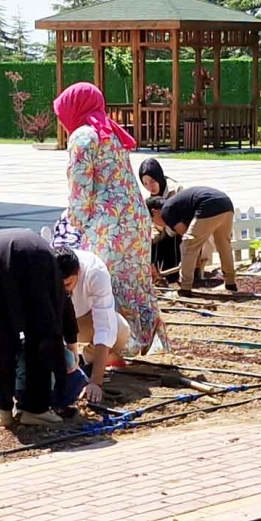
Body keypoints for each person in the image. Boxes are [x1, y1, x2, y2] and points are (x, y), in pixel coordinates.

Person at [56, 83, 167, 353]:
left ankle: (116, 347)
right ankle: (145, 341)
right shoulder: (109, 131)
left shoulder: (82, 135)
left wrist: (76, 222)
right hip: (135, 218)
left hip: (108, 223)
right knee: (135, 281)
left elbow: (80, 185)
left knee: (107, 281)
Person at [0, 229, 75, 428]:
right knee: (41, 333)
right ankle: (36, 410)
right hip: (35, 260)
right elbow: (56, 318)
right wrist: (69, 348)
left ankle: (4, 409)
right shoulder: (44, 252)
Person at [63, 245, 132, 406]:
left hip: (84, 318)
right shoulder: (43, 270)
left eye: (67, 284)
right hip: (57, 322)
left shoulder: (95, 272)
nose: (63, 290)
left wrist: (96, 382)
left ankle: (85, 360)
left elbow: (104, 327)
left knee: (120, 331)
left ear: (78, 273)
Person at [148, 186, 238, 294]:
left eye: (152, 220)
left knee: (188, 245)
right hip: (225, 203)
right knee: (223, 244)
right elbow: (197, 233)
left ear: (154, 212)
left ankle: (185, 288)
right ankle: (230, 283)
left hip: (208, 205)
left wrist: (187, 260)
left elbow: (186, 236)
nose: (155, 224)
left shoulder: (166, 210)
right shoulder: (178, 205)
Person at [138, 158, 182, 279]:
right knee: (151, 241)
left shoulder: (175, 190)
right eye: (145, 184)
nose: (150, 187)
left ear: (159, 176)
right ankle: (155, 273)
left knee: (171, 239)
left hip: (179, 230)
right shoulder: (149, 197)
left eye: (152, 181)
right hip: (162, 229)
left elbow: (179, 221)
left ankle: (173, 274)